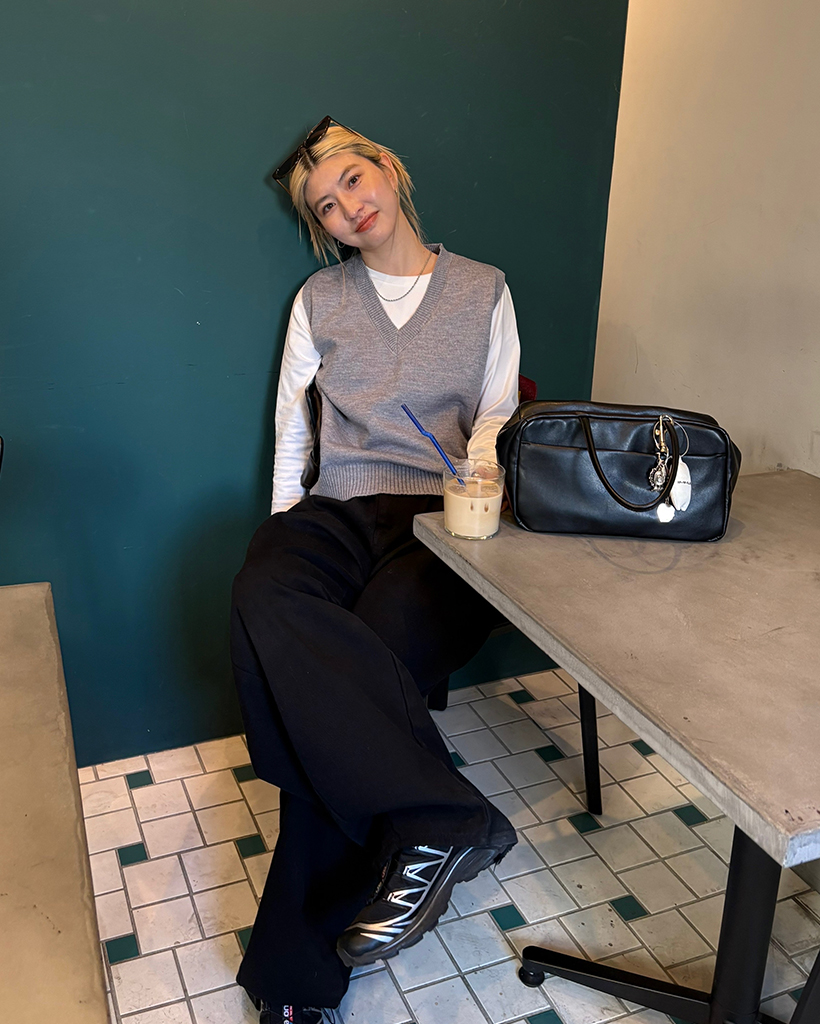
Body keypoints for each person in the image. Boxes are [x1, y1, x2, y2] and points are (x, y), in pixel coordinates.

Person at [230, 116, 522, 1024]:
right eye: (326, 205)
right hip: (337, 505)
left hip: (439, 517)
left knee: (352, 668)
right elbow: (293, 424)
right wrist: (286, 521)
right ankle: (443, 814)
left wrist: (474, 486)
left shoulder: (484, 289)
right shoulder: (321, 298)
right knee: (261, 591)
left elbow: (495, 417)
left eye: (353, 181)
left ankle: (295, 983)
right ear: (322, 227)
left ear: (387, 171)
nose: (348, 206)